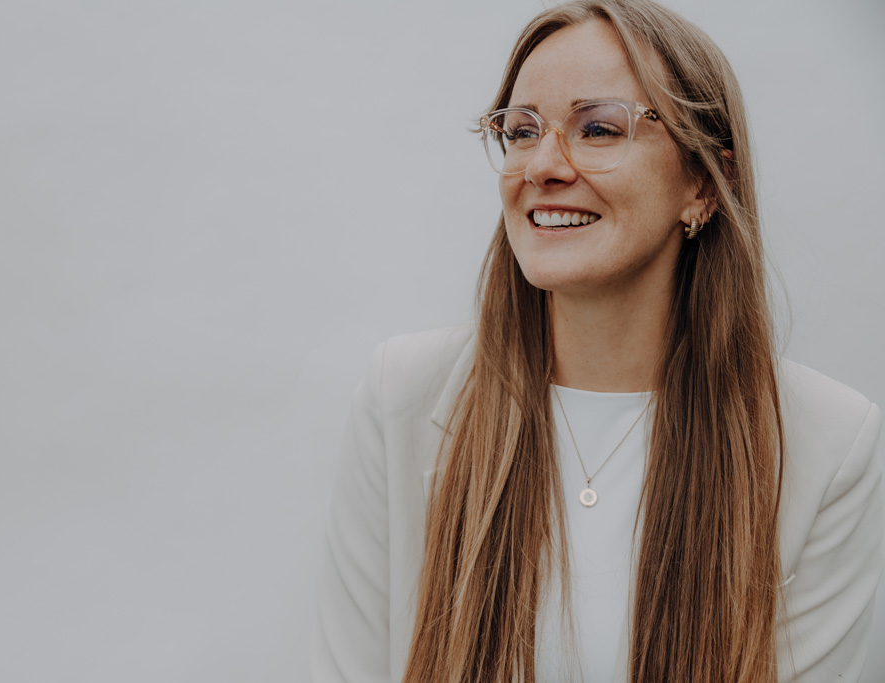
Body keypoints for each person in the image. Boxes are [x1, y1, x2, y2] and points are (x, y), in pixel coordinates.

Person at [311, 0, 884, 681]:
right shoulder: (400, 398)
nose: (542, 166)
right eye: (521, 131)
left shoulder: (829, 444)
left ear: (705, 183)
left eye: (600, 128)